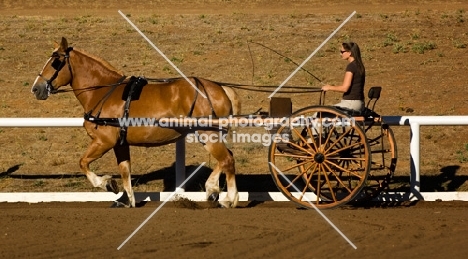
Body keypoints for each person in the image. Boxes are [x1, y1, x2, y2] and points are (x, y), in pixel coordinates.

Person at [321, 42, 366, 113]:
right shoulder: (359, 65)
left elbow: (345, 88)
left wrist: (329, 87)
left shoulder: (351, 66)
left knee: (318, 115)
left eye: (342, 52)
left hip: (351, 104)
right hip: (359, 103)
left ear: (349, 52)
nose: (340, 54)